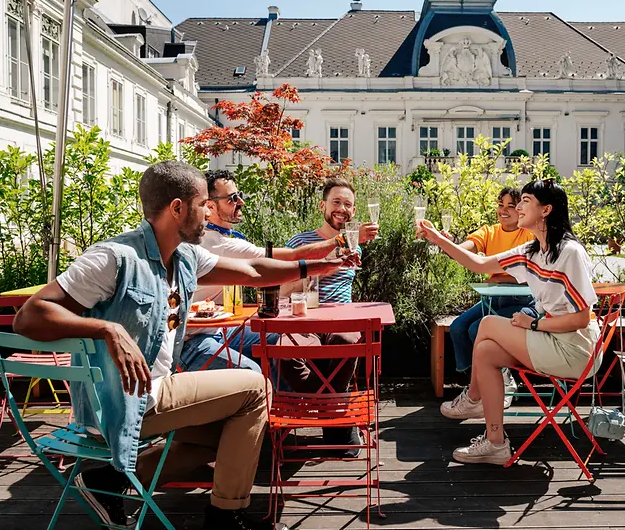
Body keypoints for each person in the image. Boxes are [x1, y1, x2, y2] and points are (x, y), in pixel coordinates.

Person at [12, 161, 353, 529]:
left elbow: (255, 270)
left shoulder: (186, 256)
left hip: (157, 394)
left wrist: (313, 269)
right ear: (177, 208)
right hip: (121, 402)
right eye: (203, 204)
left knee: (234, 429)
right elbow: (29, 317)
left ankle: (108, 481)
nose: (208, 212)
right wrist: (107, 330)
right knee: (256, 388)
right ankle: (225, 516)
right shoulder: (114, 258)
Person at [417, 178, 599, 465]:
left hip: (576, 349)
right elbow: (478, 264)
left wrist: (535, 325)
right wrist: (438, 239)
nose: (519, 205)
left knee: (488, 324)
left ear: (546, 210)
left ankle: (473, 399)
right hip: (552, 340)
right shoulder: (532, 252)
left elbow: (579, 318)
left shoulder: (569, 252)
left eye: (526, 200)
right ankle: (495, 442)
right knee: (486, 352)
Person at [180, 169, 378, 373]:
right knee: (262, 368)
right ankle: (281, 399)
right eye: (232, 198)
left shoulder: (224, 241)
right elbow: (289, 259)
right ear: (210, 206)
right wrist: (343, 242)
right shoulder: (217, 244)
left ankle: (299, 401)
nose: (241, 202)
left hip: (223, 327)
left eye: (240, 196)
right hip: (197, 337)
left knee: (281, 342)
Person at [277, 177, 367, 456]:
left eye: (348, 204)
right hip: (304, 315)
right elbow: (281, 291)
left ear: (354, 211)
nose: (342, 208)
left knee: (345, 340)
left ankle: (328, 415)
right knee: (287, 353)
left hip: (342, 318)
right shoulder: (300, 242)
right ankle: (336, 415)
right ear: (322, 206)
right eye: (336, 202)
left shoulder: (354, 244)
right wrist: (316, 272)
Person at [448, 186, 536, 410]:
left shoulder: (528, 234)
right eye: (501, 205)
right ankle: (478, 384)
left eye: (511, 206)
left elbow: (527, 279)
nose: (504, 210)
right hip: (492, 300)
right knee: (458, 328)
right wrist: (450, 245)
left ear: (521, 210)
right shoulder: (489, 232)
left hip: (523, 302)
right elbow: (466, 248)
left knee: (475, 330)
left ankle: (504, 379)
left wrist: (499, 279)